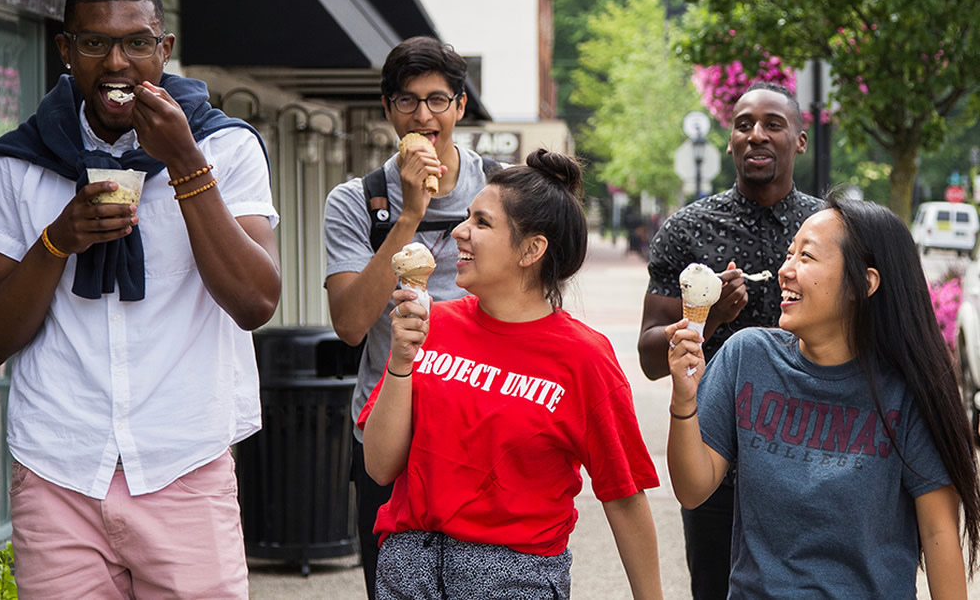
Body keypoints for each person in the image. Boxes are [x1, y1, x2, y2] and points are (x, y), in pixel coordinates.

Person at [0, 0, 280, 598]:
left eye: (137, 43)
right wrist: (57, 241)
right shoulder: (18, 162)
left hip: (184, 460)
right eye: (94, 44)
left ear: (163, 50)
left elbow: (256, 302)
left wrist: (186, 163)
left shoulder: (223, 147)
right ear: (65, 51)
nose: (118, 63)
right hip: (57, 465)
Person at [360, 149, 663, 599]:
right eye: (467, 218)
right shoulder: (431, 325)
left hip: (514, 579)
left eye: (482, 223)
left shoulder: (584, 358)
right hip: (409, 570)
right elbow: (380, 467)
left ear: (531, 250)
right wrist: (401, 364)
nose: (460, 232)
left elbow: (623, 493)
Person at [666, 195, 980, 597]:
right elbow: (692, 489)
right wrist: (684, 401)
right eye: (789, 253)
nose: (785, 270)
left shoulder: (909, 392)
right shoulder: (748, 357)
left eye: (807, 257)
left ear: (863, 284)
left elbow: (939, 534)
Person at [637, 81, 821, 599]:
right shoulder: (688, 230)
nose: (756, 135)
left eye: (772, 124)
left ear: (800, 141)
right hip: (717, 451)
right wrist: (709, 319)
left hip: (811, 448)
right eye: (743, 125)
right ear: (729, 140)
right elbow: (651, 357)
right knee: (716, 587)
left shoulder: (828, 229)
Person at [323, 35, 490, 598]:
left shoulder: (503, 190)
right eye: (408, 101)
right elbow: (348, 323)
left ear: (460, 106)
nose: (424, 116)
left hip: (483, 427)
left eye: (438, 100)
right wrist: (409, 216)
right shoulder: (354, 200)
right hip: (390, 435)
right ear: (388, 108)